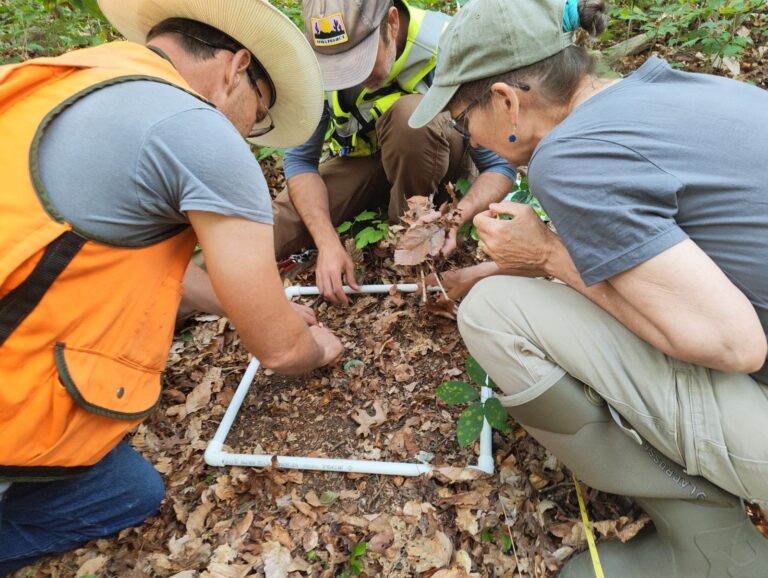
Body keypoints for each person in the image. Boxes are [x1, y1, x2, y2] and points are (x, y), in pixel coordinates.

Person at [411, 0, 768, 575]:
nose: (464, 133)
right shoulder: (676, 92)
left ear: (505, 100)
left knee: (494, 311)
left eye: (459, 119)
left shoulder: (569, 155)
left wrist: (549, 256)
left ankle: (709, 543)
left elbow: (734, 344)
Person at [0, 0, 344, 573]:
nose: (248, 135)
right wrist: (315, 348)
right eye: (257, 116)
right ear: (237, 68)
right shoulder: (198, 131)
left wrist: (257, 308)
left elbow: (117, 250)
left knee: (129, 488)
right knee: (125, 493)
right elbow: (281, 352)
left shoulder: (70, 79)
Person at [272, 0, 517, 305]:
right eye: (337, 67)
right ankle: (200, 286)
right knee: (279, 224)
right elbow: (300, 161)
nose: (351, 77)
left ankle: (408, 239)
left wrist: (455, 217)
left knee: (410, 119)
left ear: (391, 23)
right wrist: (327, 242)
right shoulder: (316, 60)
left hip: (437, 164)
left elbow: (500, 167)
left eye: (358, 60)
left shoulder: (450, 47)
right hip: (363, 161)